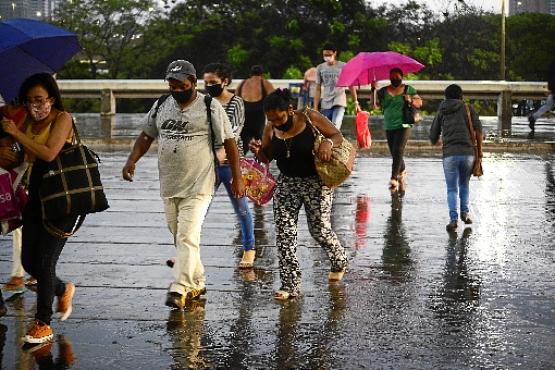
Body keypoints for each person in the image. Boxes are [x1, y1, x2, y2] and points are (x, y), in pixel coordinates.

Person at [122, 60, 245, 310]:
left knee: (187, 235)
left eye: (181, 85)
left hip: (200, 183)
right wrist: (132, 160)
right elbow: (147, 136)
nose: (176, 89)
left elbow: (230, 142)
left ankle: (179, 287)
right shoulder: (161, 105)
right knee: (180, 236)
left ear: (192, 82)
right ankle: (197, 281)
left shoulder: (209, 106)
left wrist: (237, 176)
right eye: (172, 85)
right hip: (169, 183)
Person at [249, 89, 348, 300]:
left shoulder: (310, 117)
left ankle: (339, 259)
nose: (275, 123)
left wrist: (327, 143)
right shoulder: (270, 128)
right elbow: (267, 157)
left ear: (290, 110)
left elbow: (336, 135)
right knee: (284, 234)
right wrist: (258, 151)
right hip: (287, 184)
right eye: (271, 119)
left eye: (279, 118)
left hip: (316, 182)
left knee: (319, 230)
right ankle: (290, 284)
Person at [1, 73, 77, 344]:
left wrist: (16, 132)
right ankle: (61, 287)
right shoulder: (28, 122)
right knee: (29, 262)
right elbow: (22, 157)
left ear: (51, 98)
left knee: (44, 262)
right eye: (29, 101)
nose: (35, 105)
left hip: (64, 199)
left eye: (40, 100)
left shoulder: (63, 119)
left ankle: (43, 323)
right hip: (37, 197)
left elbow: (48, 153)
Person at [202, 62, 256, 269]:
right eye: (206, 82)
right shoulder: (204, 102)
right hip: (207, 163)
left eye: (213, 82)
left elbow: (233, 130)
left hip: (231, 163)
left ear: (225, 81)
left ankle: (249, 249)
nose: (209, 86)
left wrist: (220, 153)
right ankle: (186, 252)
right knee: (199, 208)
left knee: (241, 209)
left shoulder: (236, 103)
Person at [429, 84, 483, 232]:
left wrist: (436, 141)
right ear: (461, 96)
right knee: (464, 185)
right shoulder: (468, 108)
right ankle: (465, 214)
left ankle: (453, 220)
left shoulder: (442, 109)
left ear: (445, 96)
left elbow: (433, 133)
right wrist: (480, 152)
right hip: (468, 154)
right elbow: (479, 131)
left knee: (452, 188)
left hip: (450, 154)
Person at [0, 102, 37, 296]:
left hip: (25, 173)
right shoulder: (2, 114)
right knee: (17, 222)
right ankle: (22, 273)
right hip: (5, 174)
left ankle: (23, 273)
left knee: (24, 222)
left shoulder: (31, 113)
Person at [374, 68, 422, 192]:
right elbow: (375, 105)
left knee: (398, 149)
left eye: (397, 77)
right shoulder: (383, 91)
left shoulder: (408, 89)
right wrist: (373, 89)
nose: (395, 79)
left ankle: (394, 177)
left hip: (404, 124)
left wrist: (410, 100)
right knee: (394, 152)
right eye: (392, 77)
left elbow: (419, 103)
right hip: (389, 125)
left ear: (402, 77)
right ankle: (402, 170)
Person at [313, 44, 360, 130]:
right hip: (326, 103)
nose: (327, 57)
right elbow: (318, 88)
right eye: (325, 55)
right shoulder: (320, 68)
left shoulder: (343, 66)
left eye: (329, 55)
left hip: (339, 101)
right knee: (325, 129)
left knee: (335, 126)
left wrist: (356, 102)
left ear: (334, 53)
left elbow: (351, 85)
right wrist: (315, 107)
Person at [236, 65, 275, 154]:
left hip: (244, 118)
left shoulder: (242, 83)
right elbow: (273, 100)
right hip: (259, 119)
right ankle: (261, 165)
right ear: (262, 74)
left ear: (250, 74)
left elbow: (236, 101)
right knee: (261, 147)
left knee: (242, 148)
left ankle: (240, 166)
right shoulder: (265, 83)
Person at [528, 57, 555, 133]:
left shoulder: (552, 64)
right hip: (553, 88)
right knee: (548, 105)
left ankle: (533, 117)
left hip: (552, 88)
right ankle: (533, 117)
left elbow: (550, 76)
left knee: (547, 105)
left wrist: (550, 88)